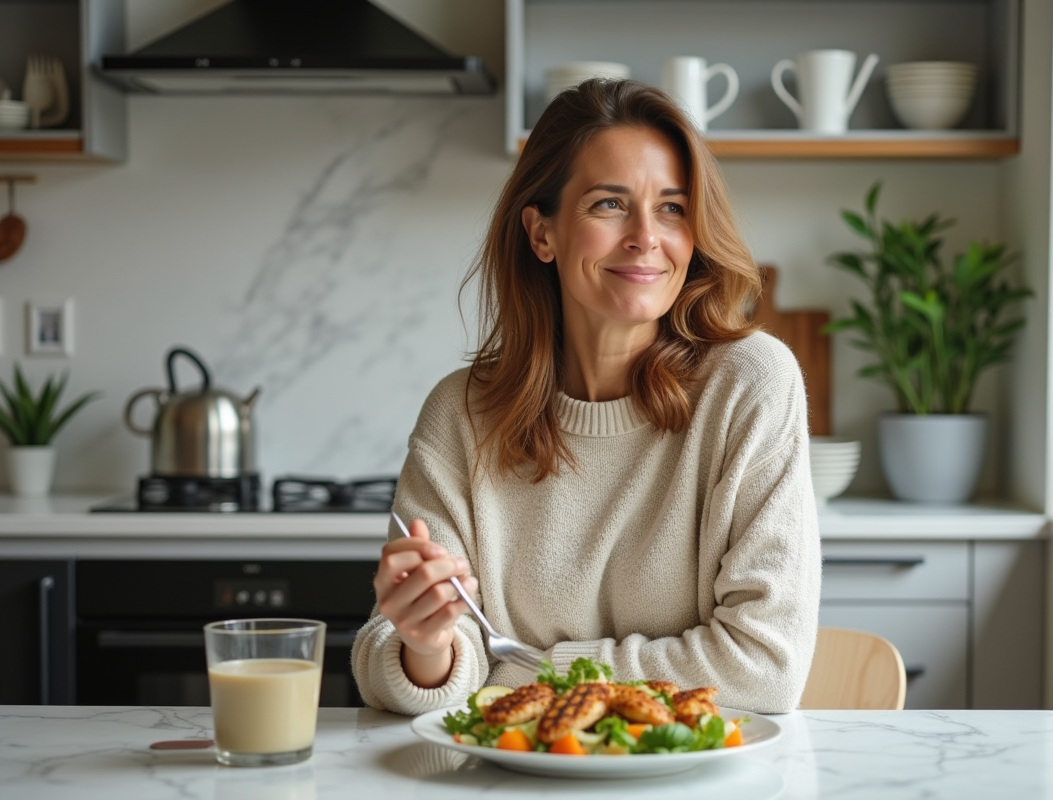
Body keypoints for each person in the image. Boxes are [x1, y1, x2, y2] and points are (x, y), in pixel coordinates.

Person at [351, 79, 820, 716]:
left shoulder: (751, 383)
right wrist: (427, 647)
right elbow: (396, 659)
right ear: (542, 234)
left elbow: (763, 669)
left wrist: (520, 671)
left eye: (673, 209)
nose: (646, 237)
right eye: (609, 205)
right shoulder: (461, 413)